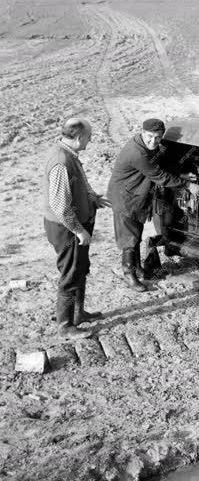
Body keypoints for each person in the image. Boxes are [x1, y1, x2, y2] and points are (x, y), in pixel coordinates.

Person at [107, 118, 196, 291]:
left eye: (157, 137)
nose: (153, 141)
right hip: (125, 199)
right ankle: (129, 276)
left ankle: (138, 269)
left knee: (136, 234)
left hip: (134, 196)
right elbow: (159, 175)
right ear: (142, 132)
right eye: (149, 136)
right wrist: (187, 185)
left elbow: (159, 165)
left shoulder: (144, 146)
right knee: (129, 240)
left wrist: (182, 175)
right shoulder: (137, 153)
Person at [43, 118, 111, 339]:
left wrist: (92, 198)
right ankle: (65, 326)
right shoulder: (61, 161)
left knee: (80, 268)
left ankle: (78, 313)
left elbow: (78, 183)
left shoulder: (66, 153)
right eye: (89, 137)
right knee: (71, 274)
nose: (90, 141)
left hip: (74, 225)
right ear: (79, 137)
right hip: (67, 229)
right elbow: (60, 205)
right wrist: (79, 230)